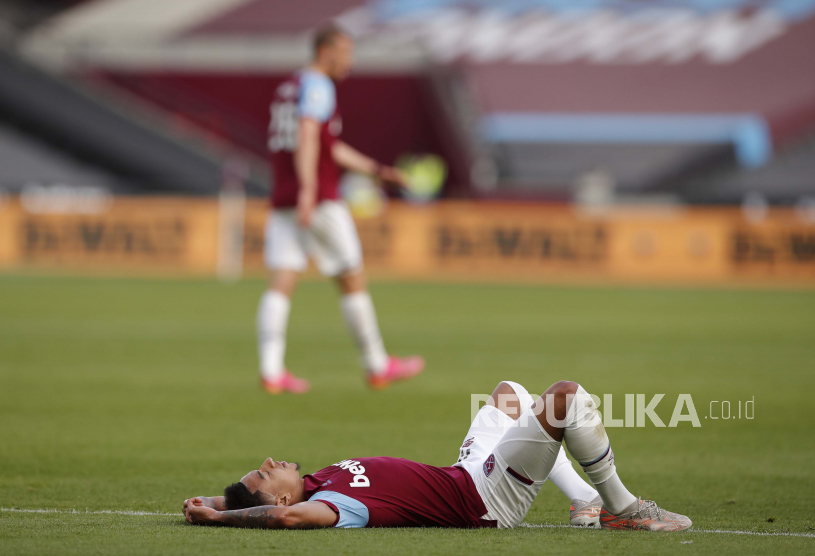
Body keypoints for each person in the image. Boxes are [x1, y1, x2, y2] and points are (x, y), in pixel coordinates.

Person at [183, 380, 692, 531]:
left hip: (466, 472)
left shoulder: (321, 478)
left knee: (510, 393)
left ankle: (586, 501)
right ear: (275, 495)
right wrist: (219, 520)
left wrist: (218, 501)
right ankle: (624, 509)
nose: (270, 461)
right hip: (485, 498)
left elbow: (268, 502)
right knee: (566, 399)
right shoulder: (335, 505)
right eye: (263, 473)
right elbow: (289, 518)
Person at [258, 23, 423, 394]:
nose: (350, 61)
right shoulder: (318, 86)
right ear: (325, 51)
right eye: (345, 52)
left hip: (284, 194)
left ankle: (271, 372)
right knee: (351, 275)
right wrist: (310, 190)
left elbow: (325, 143)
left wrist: (377, 170)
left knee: (282, 280)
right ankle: (377, 365)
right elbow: (308, 135)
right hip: (315, 197)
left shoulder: (289, 87)